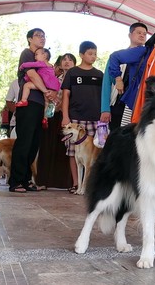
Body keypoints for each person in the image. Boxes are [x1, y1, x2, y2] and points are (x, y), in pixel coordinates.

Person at [9, 28, 57, 193]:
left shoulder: (44, 61)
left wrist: (50, 93)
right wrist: (45, 91)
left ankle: (26, 179)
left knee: (34, 143)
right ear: (29, 39)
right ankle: (15, 181)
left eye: (44, 36)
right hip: (28, 103)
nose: (42, 38)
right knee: (24, 142)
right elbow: (33, 75)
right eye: (38, 35)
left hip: (39, 105)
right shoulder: (28, 54)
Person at [61, 41, 103, 194]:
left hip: (94, 118)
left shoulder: (99, 74)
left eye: (95, 54)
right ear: (81, 54)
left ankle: (91, 185)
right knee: (73, 152)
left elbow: (104, 96)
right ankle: (76, 183)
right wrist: (65, 117)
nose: (93, 56)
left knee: (95, 153)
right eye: (90, 53)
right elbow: (66, 95)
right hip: (75, 118)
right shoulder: (72, 72)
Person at [36, 52, 77, 189]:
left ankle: (67, 183)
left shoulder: (75, 79)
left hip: (69, 117)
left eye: (70, 60)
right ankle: (44, 181)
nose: (67, 62)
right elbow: (47, 95)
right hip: (52, 115)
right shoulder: (54, 78)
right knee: (47, 147)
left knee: (66, 150)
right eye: (64, 59)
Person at [101, 22, 148, 130]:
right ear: (130, 35)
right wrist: (105, 109)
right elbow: (106, 83)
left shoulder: (147, 58)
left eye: (144, 34)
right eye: (139, 33)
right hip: (117, 103)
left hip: (134, 105)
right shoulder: (117, 57)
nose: (142, 35)